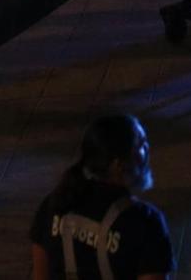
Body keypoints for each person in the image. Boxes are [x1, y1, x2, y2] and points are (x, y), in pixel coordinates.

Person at [28, 113, 174, 280]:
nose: (147, 149)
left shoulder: (54, 203)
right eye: (141, 144)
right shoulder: (145, 223)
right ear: (118, 165)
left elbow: (40, 275)